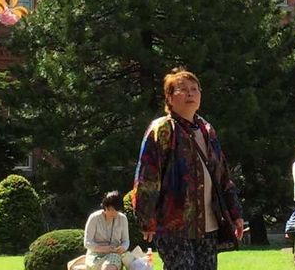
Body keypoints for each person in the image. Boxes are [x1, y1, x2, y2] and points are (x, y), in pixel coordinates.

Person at [132, 67, 243, 270]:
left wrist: (235, 213)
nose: (190, 93)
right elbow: (147, 176)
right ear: (169, 98)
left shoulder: (207, 130)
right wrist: (145, 218)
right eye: (182, 89)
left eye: (194, 89)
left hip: (208, 225)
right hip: (174, 225)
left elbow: (223, 176)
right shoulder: (162, 129)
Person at [84, 191, 130, 270]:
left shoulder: (122, 218)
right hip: (95, 255)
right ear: (105, 207)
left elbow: (126, 241)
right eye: (111, 209)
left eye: (117, 210)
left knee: (108, 267)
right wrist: (104, 248)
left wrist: (123, 248)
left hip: (114, 254)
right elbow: (87, 243)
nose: (114, 213)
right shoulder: (94, 218)